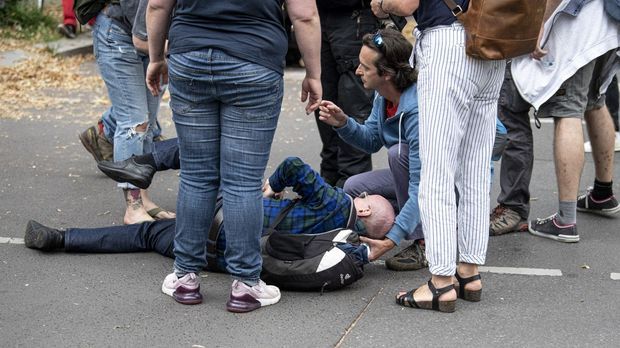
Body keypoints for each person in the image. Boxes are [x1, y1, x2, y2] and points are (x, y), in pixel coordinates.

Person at [145, 0, 322, 312]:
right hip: (254, 59)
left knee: (197, 176)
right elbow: (304, 15)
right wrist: (314, 73)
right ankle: (245, 284)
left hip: (191, 56)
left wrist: (156, 57)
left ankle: (185, 276)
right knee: (242, 182)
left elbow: (158, 5)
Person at [24, 156, 395, 280]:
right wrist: (370, 253)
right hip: (221, 256)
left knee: (209, 143)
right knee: (147, 236)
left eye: (363, 197)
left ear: (361, 209)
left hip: (221, 211)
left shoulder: (336, 203)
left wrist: (269, 189)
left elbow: (294, 166)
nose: (358, 196)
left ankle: (148, 160)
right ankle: (61, 237)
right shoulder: (345, 249)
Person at [373, 0, 506, 313]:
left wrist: (381, 4)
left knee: (437, 171)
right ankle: (469, 273)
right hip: (495, 41)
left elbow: (405, 3)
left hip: (447, 42)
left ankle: (441, 280)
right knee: (474, 168)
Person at [318, 28, 425, 273]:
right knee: (353, 187)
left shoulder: (416, 111)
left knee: (398, 154)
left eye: (365, 67)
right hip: (412, 174)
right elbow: (371, 140)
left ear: (386, 74)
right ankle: (407, 221)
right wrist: (343, 123)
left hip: (442, 183)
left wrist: (391, 240)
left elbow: (422, 186)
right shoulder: (383, 96)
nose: (357, 71)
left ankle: (424, 241)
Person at [514, 0, 620, 242]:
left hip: (582, 24)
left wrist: (539, 23)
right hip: (609, 20)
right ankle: (602, 194)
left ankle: (565, 220)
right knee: (595, 99)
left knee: (568, 108)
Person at [78, 0, 174, 225]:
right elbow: (141, 37)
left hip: (151, 38)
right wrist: (185, 45)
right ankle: (133, 206)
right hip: (119, 34)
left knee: (148, 123)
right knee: (134, 122)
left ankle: (143, 199)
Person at [313, 0, 379, 188]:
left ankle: (351, 189)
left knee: (354, 105)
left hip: (355, 16)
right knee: (324, 105)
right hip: (319, 14)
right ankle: (329, 184)